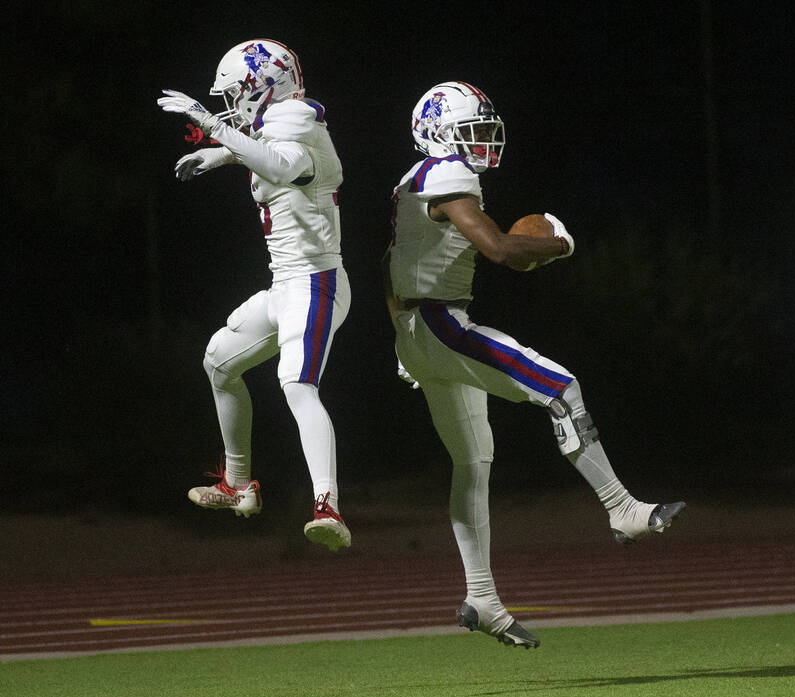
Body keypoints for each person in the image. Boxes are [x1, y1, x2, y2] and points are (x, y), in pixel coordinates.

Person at [384, 81, 685, 649]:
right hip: (443, 324)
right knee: (560, 386)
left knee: (473, 461)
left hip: (418, 329)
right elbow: (498, 249)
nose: (483, 141)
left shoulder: (409, 183)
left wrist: (403, 343)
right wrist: (558, 246)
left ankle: (482, 597)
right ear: (440, 132)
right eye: (471, 129)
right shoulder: (447, 174)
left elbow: (388, 263)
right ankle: (622, 509)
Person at [157, 39, 352, 552]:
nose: (228, 104)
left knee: (296, 385)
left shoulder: (297, 120)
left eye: (235, 92)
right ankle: (237, 484)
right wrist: (219, 154)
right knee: (220, 360)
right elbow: (272, 154)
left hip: (317, 281)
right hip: (285, 284)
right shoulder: (285, 122)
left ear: (264, 87)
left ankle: (327, 506)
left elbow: (285, 166)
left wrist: (217, 131)